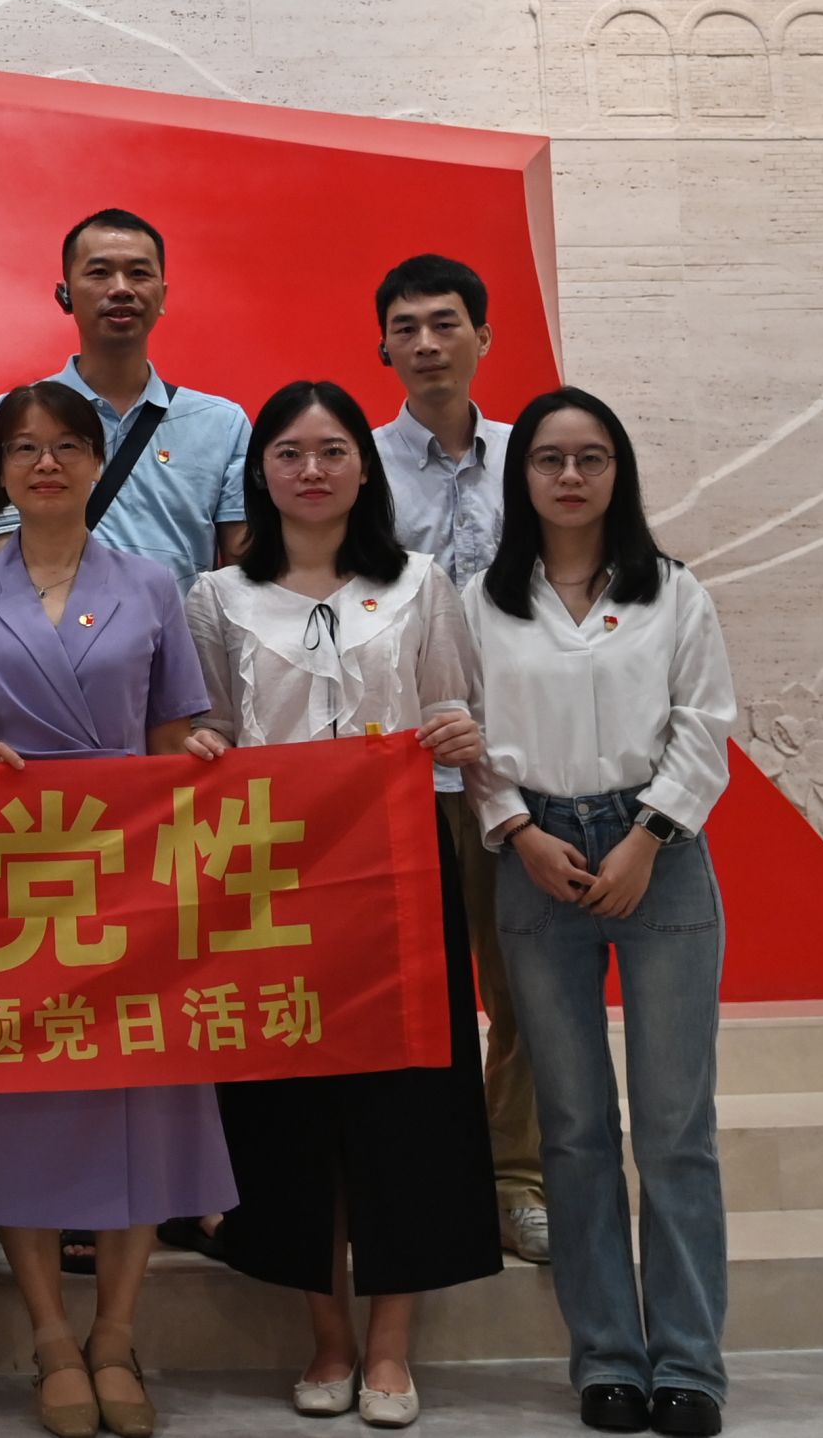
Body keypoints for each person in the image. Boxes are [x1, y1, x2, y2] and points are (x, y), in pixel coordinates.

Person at [183, 382, 499, 1431]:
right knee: (287, 1113)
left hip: (395, 874)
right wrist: (199, 747)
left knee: (405, 1107)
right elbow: (208, 727)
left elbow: (452, 710)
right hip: (267, 885)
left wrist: (459, 736)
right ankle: (326, 1336)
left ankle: (391, 1345)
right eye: (288, 452)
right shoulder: (215, 596)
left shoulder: (419, 583)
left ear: (364, 467)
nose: (310, 470)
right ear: (259, 472)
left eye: (331, 450)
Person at [0, 382, 233, 1438]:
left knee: (140, 1091)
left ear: (99, 461)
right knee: (17, 1097)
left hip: (128, 877)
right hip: (9, 878)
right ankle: (51, 1337)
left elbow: (173, 728)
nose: (46, 464)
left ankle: (115, 1333)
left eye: (66, 445)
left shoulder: (150, 583)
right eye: (24, 448)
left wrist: (195, 753)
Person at [462, 390, 735, 1438]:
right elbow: (464, 731)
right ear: (520, 476)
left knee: (674, 1130)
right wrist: (517, 832)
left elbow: (704, 725)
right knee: (574, 1131)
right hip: (534, 856)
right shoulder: (480, 602)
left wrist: (646, 838)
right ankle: (608, 1358)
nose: (569, 477)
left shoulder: (672, 591)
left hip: (657, 856)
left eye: (590, 458)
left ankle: (689, 1365)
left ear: (618, 472)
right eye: (548, 459)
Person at [368, 254, 545, 1266]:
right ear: (383, 347)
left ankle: (516, 1176)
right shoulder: (356, 465)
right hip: (399, 772)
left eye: (445, 323)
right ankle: (416, 1178)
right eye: (406, 328)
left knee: (521, 985)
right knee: (403, 993)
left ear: (483, 335)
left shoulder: (537, 457)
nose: (427, 343)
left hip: (521, 767)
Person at [6, 210, 248, 578]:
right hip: (49, 616)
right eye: (99, 272)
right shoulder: (13, 416)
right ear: (65, 293)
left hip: (176, 618)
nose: (121, 288)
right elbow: (1, 549)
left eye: (139, 273)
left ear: (162, 295)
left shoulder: (222, 424)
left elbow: (241, 569)